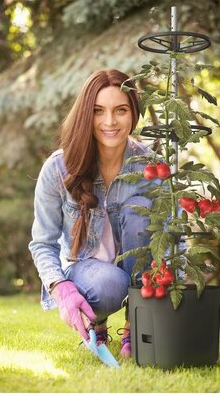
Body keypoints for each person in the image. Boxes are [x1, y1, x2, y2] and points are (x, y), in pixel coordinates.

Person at [29, 69, 157, 358]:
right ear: (86, 114)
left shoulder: (152, 167)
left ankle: (133, 325)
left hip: (141, 273)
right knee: (110, 283)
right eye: (98, 111)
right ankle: (96, 322)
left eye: (120, 110)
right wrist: (62, 290)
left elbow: (173, 236)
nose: (109, 122)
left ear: (134, 113)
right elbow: (42, 242)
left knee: (138, 214)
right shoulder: (58, 168)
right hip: (88, 272)